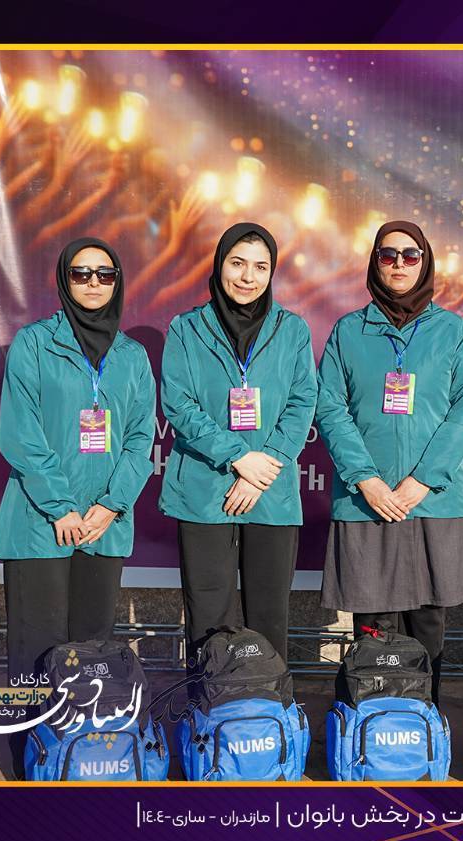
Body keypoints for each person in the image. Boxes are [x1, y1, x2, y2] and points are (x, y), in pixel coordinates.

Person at [315, 220, 463, 703]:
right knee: (372, 624)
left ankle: (423, 721)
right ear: (375, 262)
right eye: (388, 255)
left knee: (428, 620)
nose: (399, 265)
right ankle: (371, 722)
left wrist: (423, 481)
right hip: (367, 502)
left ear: (424, 262)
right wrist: (366, 480)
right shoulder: (349, 331)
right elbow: (330, 408)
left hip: (431, 500)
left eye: (411, 256)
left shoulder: (451, 330)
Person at [0, 237, 156, 686]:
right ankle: (34, 732)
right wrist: (61, 506)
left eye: (105, 274)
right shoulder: (34, 344)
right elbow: (21, 434)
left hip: (104, 525)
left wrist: (112, 505)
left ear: (117, 282)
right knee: (37, 653)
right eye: (81, 273)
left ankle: (82, 733)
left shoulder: (132, 357)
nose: (93, 282)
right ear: (65, 281)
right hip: (40, 522)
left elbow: (141, 439)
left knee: (91, 652)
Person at [158, 222, 318, 663]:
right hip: (204, 490)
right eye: (238, 263)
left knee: (269, 614)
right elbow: (179, 403)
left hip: (270, 489)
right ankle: (207, 701)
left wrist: (264, 466)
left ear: (272, 272)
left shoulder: (292, 330)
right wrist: (238, 458)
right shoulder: (187, 328)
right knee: (208, 615)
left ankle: (270, 700)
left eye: (260, 267)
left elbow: (303, 401)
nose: (248, 277)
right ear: (219, 265)